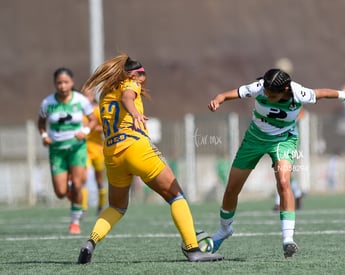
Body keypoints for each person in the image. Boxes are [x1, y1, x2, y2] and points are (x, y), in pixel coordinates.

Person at [77, 53, 224, 264]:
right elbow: (128, 96)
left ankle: (90, 242)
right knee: (176, 196)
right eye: (142, 73)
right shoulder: (130, 83)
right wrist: (135, 112)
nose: (144, 77)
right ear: (132, 74)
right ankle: (193, 249)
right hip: (135, 148)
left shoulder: (105, 92)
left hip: (111, 154)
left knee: (116, 207)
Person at [208, 68, 345, 258]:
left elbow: (321, 93)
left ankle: (288, 239)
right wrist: (219, 98)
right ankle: (224, 229)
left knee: (284, 182)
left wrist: (343, 94)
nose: (266, 95)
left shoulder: (299, 93)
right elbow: (233, 93)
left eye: (271, 94)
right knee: (232, 188)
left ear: (285, 89)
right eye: (265, 91)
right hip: (254, 139)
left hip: (283, 140)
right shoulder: (260, 87)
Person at [38, 67, 97, 235]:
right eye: (59, 83)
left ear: (71, 83)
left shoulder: (81, 101)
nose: (62, 86)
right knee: (60, 192)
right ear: (55, 84)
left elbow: (92, 121)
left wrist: (84, 132)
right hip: (57, 150)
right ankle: (70, 189)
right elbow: (41, 123)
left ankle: (75, 222)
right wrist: (44, 135)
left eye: (66, 82)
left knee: (79, 184)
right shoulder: (47, 103)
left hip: (77, 148)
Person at [81, 88, 107, 216]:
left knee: (99, 180)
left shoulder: (96, 110)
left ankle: (101, 206)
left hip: (97, 149)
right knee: (84, 178)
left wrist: (93, 128)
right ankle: (84, 208)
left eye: (89, 95)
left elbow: (105, 127)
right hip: (83, 149)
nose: (87, 98)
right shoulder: (78, 111)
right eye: (84, 95)